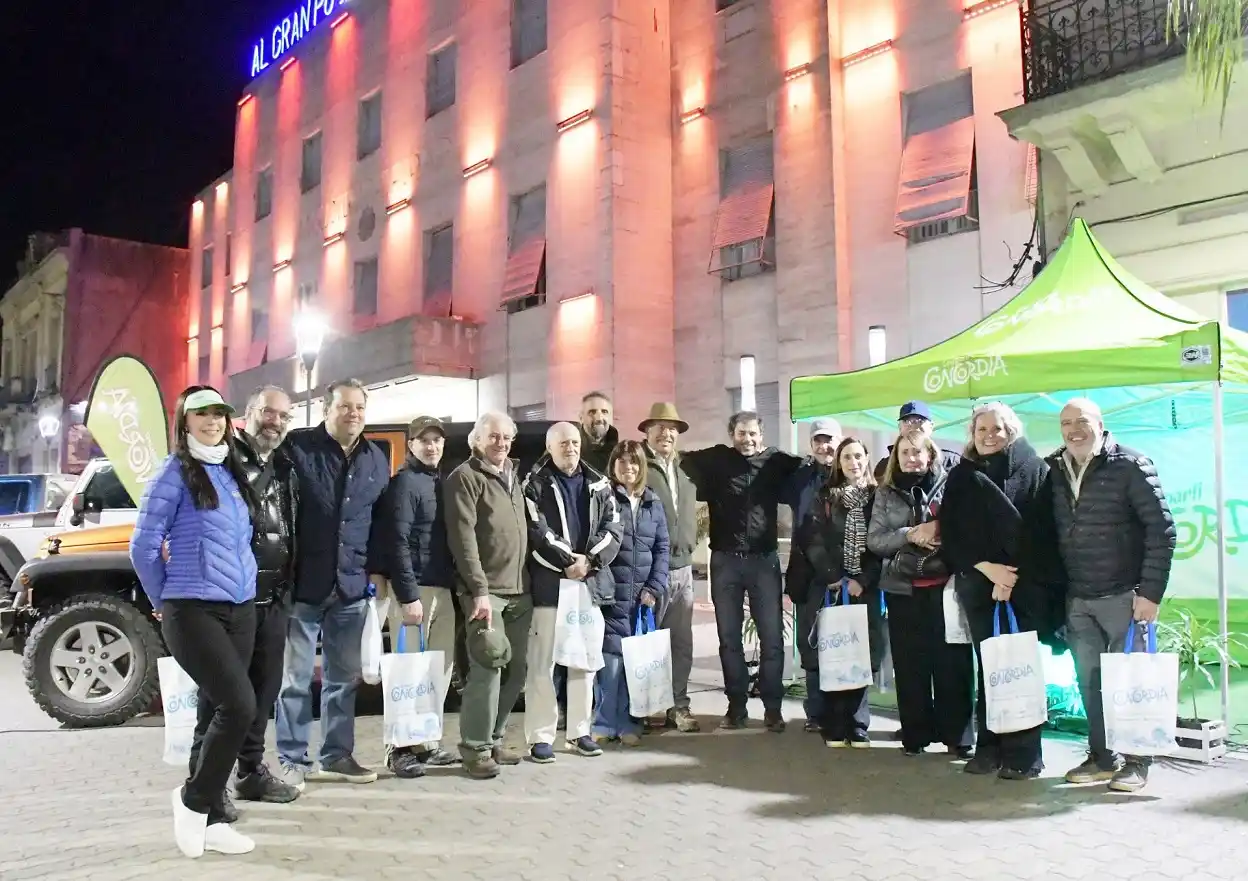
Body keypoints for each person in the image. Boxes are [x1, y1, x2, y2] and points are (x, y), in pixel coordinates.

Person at [130, 386, 259, 858]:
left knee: (214, 713)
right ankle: (192, 801)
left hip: (239, 606)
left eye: (219, 415)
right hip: (191, 607)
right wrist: (161, 598)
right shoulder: (174, 472)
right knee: (239, 706)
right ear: (184, 422)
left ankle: (213, 818)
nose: (212, 423)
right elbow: (143, 546)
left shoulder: (228, 470)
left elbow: (240, 539)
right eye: (202, 415)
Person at [1048, 397, 1175, 793]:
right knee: (1090, 682)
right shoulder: (1053, 468)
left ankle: (1138, 762)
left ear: (1100, 424)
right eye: (1067, 423)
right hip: (1078, 597)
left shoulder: (1131, 465)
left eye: (1082, 421)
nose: (1074, 429)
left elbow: (1162, 531)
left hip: (1125, 596)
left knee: (1130, 682)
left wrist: (1149, 593)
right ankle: (1103, 757)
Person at [188, 386, 301, 819]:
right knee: (221, 699)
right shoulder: (222, 458)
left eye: (283, 416)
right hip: (231, 599)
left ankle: (251, 772)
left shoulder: (285, 464)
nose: (276, 422)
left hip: (273, 597)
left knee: (261, 694)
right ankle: (203, 788)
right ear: (249, 414)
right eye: (268, 413)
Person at [275, 379, 390, 789]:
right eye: (345, 406)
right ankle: (292, 758)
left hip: (351, 587)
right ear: (327, 409)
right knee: (296, 679)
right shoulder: (298, 448)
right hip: (303, 585)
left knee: (343, 679)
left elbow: (381, 523)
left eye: (359, 406)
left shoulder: (377, 458)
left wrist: (378, 572)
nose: (353, 413)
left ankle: (337, 755)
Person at [939, 402, 1056, 779]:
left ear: (1012, 431)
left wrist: (1011, 579)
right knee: (990, 666)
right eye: (982, 429)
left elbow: (1043, 532)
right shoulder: (961, 477)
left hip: (1024, 587)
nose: (989, 436)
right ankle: (989, 747)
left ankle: (1024, 755)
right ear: (972, 435)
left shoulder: (1036, 470)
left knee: (1019, 668)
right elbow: (951, 535)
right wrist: (986, 568)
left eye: (997, 429)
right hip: (979, 586)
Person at [682, 410, 802, 732]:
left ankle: (773, 709)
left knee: (772, 638)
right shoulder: (717, 460)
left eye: (753, 434)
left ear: (761, 436)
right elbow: (679, 462)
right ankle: (736, 707)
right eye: (741, 434)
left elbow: (809, 469)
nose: (747, 440)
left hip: (764, 562)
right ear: (731, 435)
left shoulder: (776, 462)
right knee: (728, 639)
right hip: (725, 563)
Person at [868, 428, 974, 758]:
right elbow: (876, 540)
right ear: (896, 458)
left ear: (930, 454)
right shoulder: (886, 494)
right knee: (910, 666)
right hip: (903, 590)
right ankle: (915, 735)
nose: (912, 458)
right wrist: (910, 533)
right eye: (905, 453)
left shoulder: (951, 485)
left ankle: (957, 736)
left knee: (953, 665)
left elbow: (969, 528)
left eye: (917, 452)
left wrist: (939, 529)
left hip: (947, 589)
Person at [523, 422, 622, 762]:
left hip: (588, 585)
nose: (571, 448)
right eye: (563, 443)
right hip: (552, 587)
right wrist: (567, 561)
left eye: (575, 442)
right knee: (543, 664)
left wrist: (590, 561)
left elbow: (614, 528)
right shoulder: (533, 484)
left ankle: (580, 732)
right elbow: (536, 530)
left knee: (585, 663)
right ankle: (540, 736)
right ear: (549, 448)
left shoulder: (600, 483)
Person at [444, 412, 533, 779]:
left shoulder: (513, 476)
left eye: (506, 437)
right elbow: (463, 538)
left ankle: (494, 738)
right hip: (486, 594)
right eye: (493, 436)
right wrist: (479, 590)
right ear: (476, 440)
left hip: (519, 590)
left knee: (516, 671)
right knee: (488, 665)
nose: (501, 443)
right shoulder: (465, 478)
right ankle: (475, 749)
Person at [374, 416, 459, 778]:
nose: (432, 447)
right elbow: (397, 542)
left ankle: (426, 742)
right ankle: (400, 749)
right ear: (410, 444)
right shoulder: (405, 484)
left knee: (437, 672)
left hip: (442, 589)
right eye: (424, 441)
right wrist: (408, 596)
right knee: (408, 673)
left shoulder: (440, 482)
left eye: (437, 441)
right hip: (415, 593)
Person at [802, 437, 883, 747]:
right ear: (839, 462)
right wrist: (833, 576)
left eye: (858, 456)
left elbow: (880, 545)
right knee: (835, 652)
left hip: (865, 588)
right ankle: (834, 724)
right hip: (832, 588)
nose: (854, 462)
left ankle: (858, 723)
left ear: (866, 459)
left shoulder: (878, 497)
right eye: (847, 457)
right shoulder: (823, 497)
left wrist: (863, 579)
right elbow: (812, 540)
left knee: (861, 654)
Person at [594, 440, 670, 745]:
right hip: (611, 594)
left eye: (634, 462)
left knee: (634, 663)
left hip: (642, 598)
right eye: (622, 462)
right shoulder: (605, 498)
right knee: (609, 663)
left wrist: (654, 587)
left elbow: (662, 547)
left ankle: (630, 724)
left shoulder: (653, 503)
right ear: (613, 466)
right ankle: (603, 723)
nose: (629, 468)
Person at [639, 402, 700, 732]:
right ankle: (645, 705)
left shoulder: (687, 468)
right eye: (659, 427)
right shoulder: (639, 466)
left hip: (683, 568)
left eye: (672, 428)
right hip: (651, 569)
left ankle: (678, 706)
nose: (666, 433)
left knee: (681, 643)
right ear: (647, 432)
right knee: (649, 641)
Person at [783, 417, 842, 732]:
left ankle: (841, 711)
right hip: (806, 573)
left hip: (843, 575)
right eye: (818, 440)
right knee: (811, 643)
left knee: (842, 642)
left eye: (829, 439)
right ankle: (816, 713)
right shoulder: (800, 477)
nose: (824, 446)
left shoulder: (849, 471)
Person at [873, 401, 962, 480]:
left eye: (920, 420)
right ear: (900, 428)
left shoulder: (950, 461)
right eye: (907, 421)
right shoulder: (885, 467)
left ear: (931, 426)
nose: (913, 426)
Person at [579, 391, 618, 473]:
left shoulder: (621, 452)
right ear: (581, 418)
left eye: (604, 412)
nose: (599, 418)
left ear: (611, 417)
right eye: (592, 412)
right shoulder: (569, 451)